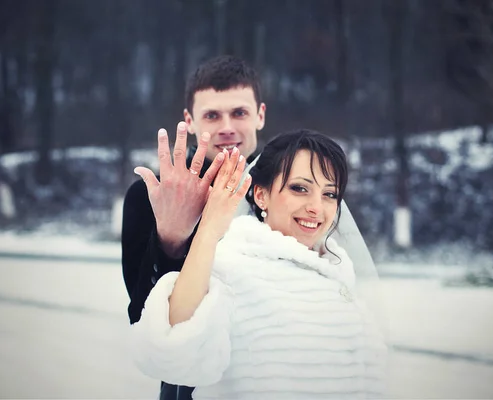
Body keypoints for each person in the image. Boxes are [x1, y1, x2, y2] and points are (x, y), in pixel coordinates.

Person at [131, 129, 388, 399]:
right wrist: (208, 228)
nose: (316, 207)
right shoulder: (231, 265)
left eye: (330, 194)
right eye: (300, 188)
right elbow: (172, 353)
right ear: (261, 194)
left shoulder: (340, 277)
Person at [122, 55, 266, 399]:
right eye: (212, 115)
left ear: (260, 115)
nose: (226, 126)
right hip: (192, 387)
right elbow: (143, 317)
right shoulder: (151, 194)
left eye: (239, 113)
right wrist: (171, 240)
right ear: (189, 120)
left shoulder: (289, 189)